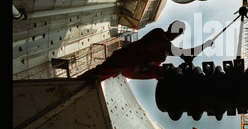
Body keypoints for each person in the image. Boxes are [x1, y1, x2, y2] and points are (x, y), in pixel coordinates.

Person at [81, 20, 213, 81]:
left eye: (179, 33)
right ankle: (80, 83)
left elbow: (186, 52)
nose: (176, 34)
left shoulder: (168, 47)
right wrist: (187, 54)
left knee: (161, 73)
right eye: (176, 30)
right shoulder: (159, 33)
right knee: (100, 73)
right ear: (170, 27)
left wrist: (205, 45)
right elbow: (182, 51)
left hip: (136, 67)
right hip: (126, 58)